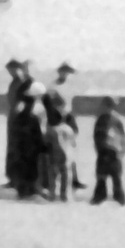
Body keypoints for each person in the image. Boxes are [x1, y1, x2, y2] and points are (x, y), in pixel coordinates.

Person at [46, 61, 86, 190]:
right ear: (60, 72)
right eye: (64, 71)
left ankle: (74, 179)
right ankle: (53, 180)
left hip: (69, 117)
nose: (66, 74)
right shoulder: (53, 87)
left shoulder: (70, 86)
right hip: (57, 118)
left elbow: (70, 104)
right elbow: (52, 104)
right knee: (57, 149)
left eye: (68, 72)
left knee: (72, 149)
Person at [13, 82, 47, 199]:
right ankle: (32, 190)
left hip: (21, 141)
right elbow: (41, 126)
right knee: (33, 166)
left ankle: (23, 190)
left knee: (24, 165)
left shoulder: (21, 105)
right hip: (33, 140)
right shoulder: (39, 107)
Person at [91, 96, 125, 205]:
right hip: (104, 150)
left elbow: (122, 136)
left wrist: (122, 148)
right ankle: (101, 195)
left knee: (116, 176)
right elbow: (97, 135)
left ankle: (118, 196)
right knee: (102, 175)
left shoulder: (115, 119)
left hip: (113, 150)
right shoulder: (101, 119)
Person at [44, 89, 77, 202]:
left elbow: (46, 142)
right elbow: (73, 142)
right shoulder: (68, 129)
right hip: (66, 154)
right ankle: (65, 195)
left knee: (52, 174)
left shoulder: (52, 130)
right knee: (66, 175)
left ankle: (52, 194)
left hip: (54, 154)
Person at [4, 59, 33, 187]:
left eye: (13, 69)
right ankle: (12, 178)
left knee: (20, 148)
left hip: (21, 118)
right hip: (13, 118)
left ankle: (19, 178)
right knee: (12, 147)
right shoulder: (14, 82)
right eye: (9, 70)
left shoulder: (26, 82)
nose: (11, 72)